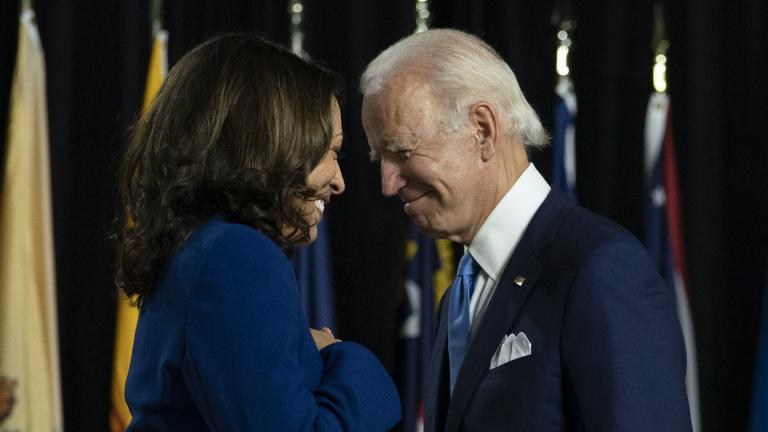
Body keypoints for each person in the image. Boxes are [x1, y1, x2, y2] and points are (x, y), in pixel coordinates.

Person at [361, 28, 691, 431]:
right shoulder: (455, 298)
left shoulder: (599, 268)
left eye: (401, 151)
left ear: (482, 129)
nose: (387, 183)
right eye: (380, 157)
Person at [115, 33, 400, 431]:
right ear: (273, 142)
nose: (339, 181)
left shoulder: (197, 247)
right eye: (330, 151)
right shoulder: (234, 256)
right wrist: (344, 361)